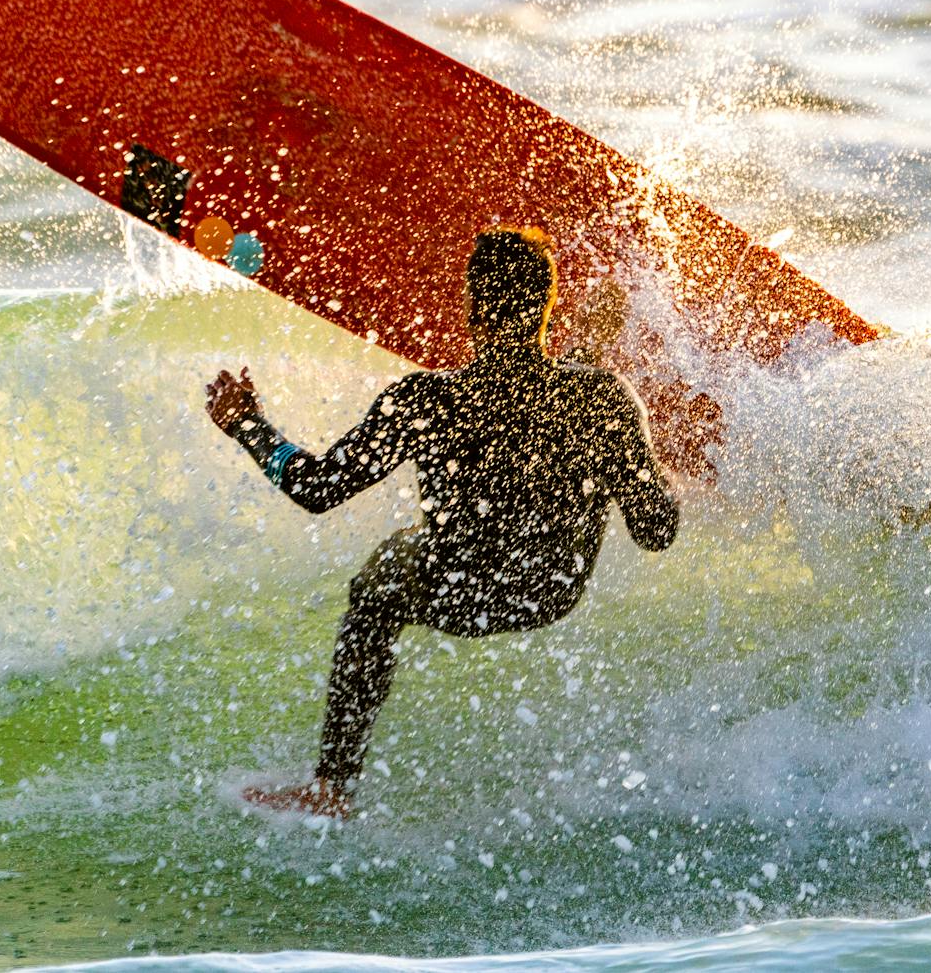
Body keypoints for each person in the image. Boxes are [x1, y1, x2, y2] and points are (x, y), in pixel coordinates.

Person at [204, 227, 680, 818]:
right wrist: (640, 463)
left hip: (461, 590)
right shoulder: (601, 399)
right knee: (575, 413)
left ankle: (331, 788)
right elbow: (656, 530)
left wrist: (248, 425)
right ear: (546, 310)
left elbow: (318, 489)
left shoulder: (426, 400)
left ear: (472, 313)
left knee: (383, 574)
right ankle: (580, 361)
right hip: (549, 587)